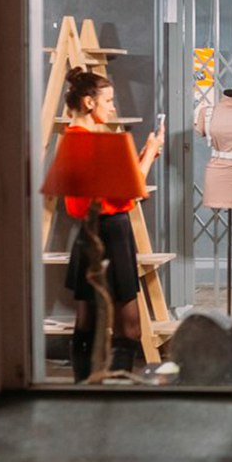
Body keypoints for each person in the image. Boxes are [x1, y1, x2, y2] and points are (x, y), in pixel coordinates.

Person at [61, 69, 164, 382]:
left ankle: (84, 387)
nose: (113, 107)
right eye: (108, 101)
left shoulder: (73, 138)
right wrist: (151, 154)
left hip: (90, 231)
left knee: (87, 320)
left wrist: (143, 157)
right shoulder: (91, 142)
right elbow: (131, 189)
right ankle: (117, 390)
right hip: (111, 231)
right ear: (89, 102)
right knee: (128, 326)